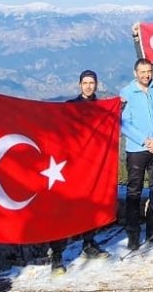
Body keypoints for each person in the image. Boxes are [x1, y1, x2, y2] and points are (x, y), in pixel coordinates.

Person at [48, 70, 112, 275]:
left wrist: (121, 104)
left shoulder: (102, 109)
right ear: (79, 85)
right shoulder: (70, 107)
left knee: (90, 206)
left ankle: (88, 243)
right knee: (63, 211)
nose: (88, 86)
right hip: (69, 167)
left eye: (92, 83)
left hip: (91, 166)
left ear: (96, 85)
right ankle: (57, 256)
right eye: (85, 83)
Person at [120, 58, 153, 251]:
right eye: (142, 72)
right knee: (134, 192)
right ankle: (133, 234)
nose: (146, 75)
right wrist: (145, 141)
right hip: (137, 149)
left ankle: (152, 229)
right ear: (135, 73)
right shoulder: (126, 93)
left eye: (149, 71)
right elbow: (123, 123)